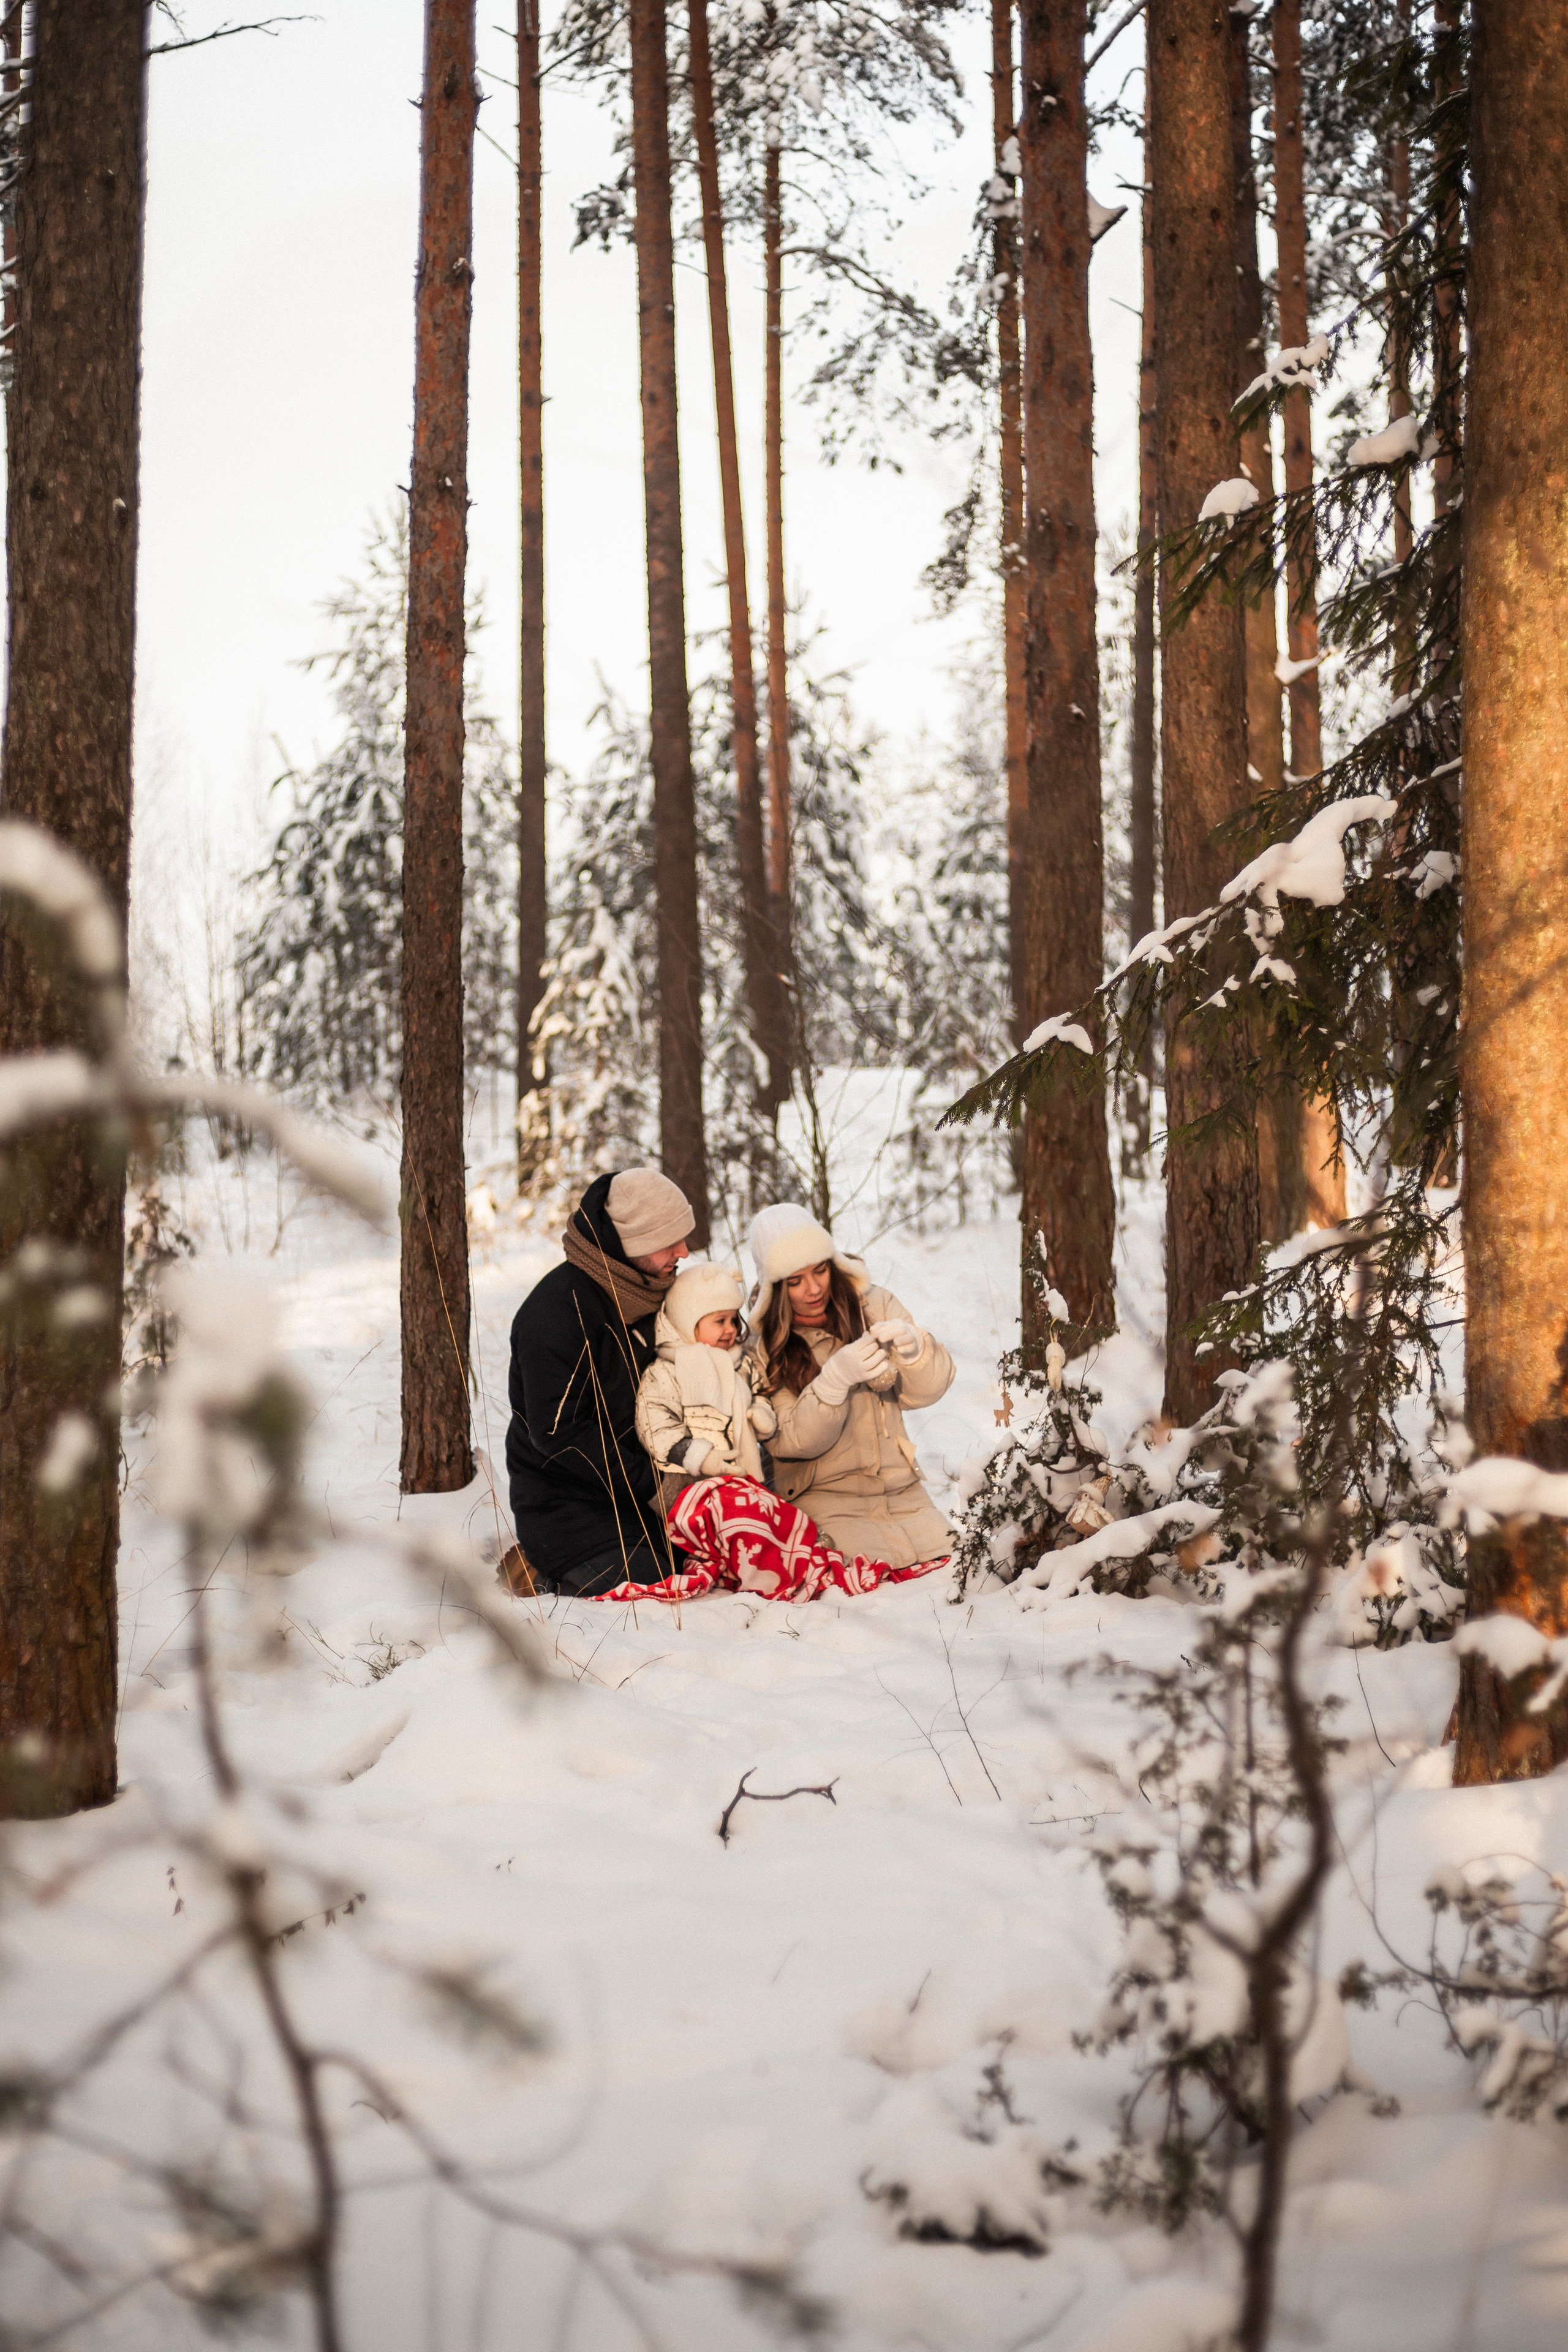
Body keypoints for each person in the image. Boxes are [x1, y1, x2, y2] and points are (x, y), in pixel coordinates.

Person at [503, 1167, 694, 1596]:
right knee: (649, 1585)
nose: (684, 1251)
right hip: (569, 1504)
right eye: (669, 1242)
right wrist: (656, 1485)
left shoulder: (659, 1289)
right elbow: (560, 1434)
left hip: (655, 1489)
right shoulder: (556, 1312)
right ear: (629, 1244)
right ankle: (536, 1569)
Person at [747, 1202, 954, 1568]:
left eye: (821, 1270)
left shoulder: (875, 1303)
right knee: (869, 1596)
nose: (813, 1289)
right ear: (776, 1288)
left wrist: (916, 1352)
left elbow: (927, 1391)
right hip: (827, 1502)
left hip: (904, 1493)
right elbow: (790, 1442)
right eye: (795, 1281)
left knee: (963, 1572)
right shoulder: (764, 1347)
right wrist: (833, 1382)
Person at [633, 1260, 778, 1499]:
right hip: (691, 1486)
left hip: (746, 1481)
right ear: (687, 1321)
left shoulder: (741, 1363)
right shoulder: (667, 1371)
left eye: (734, 1320)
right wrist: (696, 1454)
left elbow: (759, 1392)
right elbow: (654, 1422)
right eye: (720, 1321)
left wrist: (762, 1413)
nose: (731, 1329)